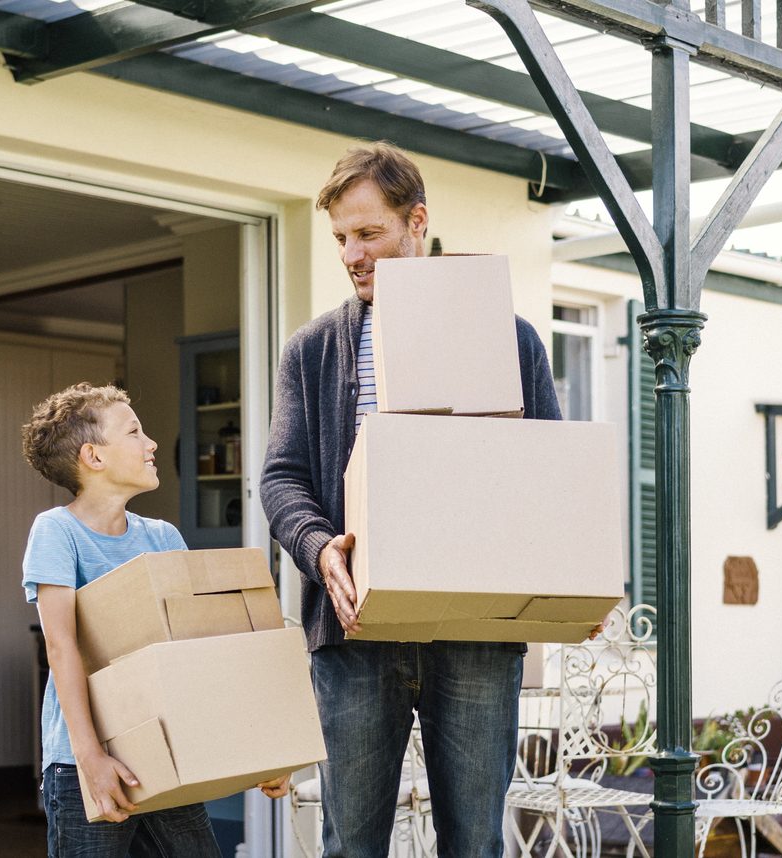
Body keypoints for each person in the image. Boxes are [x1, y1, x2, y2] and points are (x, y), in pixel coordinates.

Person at [261, 142, 563, 858]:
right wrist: (316, 544)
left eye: (369, 233)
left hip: (477, 632)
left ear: (416, 221)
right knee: (351, 847)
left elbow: (552, 470)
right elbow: (280, 476)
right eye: (340, 238)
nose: (351, 254)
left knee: (475, 845)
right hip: (357, 631)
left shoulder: (509, 341)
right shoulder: (312, 351)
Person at [23, 382, 291, 858]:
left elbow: (197, 653)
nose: (151, 445)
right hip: (82, 763)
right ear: (94, 456)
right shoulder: (57, 531)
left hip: (163, 754)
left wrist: (262, 753)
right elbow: (62, 647)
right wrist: (90, 758)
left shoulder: (162, 537)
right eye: (134, 432)